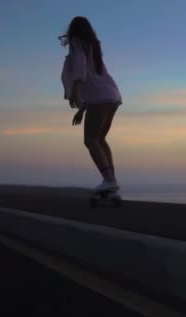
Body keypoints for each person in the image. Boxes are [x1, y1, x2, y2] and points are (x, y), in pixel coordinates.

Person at [60, 16, 123, 192]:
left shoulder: (77, 43)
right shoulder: (94, 46)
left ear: (73, 30)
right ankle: (111, 180)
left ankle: (110, 180)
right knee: (100, 139)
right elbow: (96, 78)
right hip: (112, 95)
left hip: (99, 97)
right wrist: (82, 110)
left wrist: (74, 91)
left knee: (90, 140)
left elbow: (80, 68)